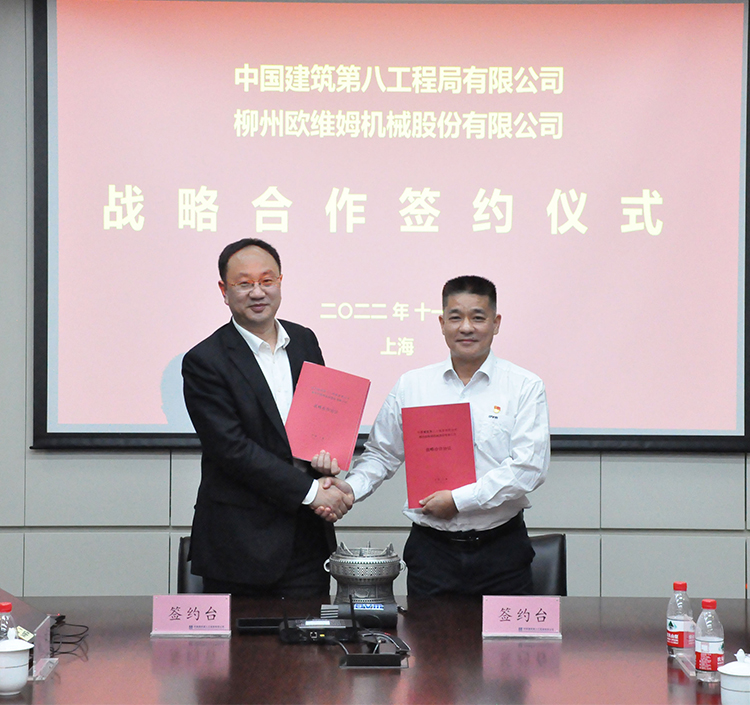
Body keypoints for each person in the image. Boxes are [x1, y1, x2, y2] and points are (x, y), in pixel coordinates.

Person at [315, 275, 550, 597]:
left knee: (504, 633)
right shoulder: (413, 385)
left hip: (502, 551)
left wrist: (458, 501)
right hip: (432, 553)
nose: (466, 327)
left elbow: (528, 468)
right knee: (427, 633)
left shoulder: (524, 386)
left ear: (496, 323)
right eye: (455, 317)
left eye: (478, 317)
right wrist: (350, 489)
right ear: (442, 323)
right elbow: (382, 454)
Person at [182, 238, 351, 597]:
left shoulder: (304, 340)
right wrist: (311, 492)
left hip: (307, 537)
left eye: (267, 280)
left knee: (311, 632)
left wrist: (326, 459)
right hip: (241, 544)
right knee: (242, 637)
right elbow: (232, 450)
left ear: (280, 282)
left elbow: (317, 424)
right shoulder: (205, 360)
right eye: (244, 283)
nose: (258, 292)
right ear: (224, 291)